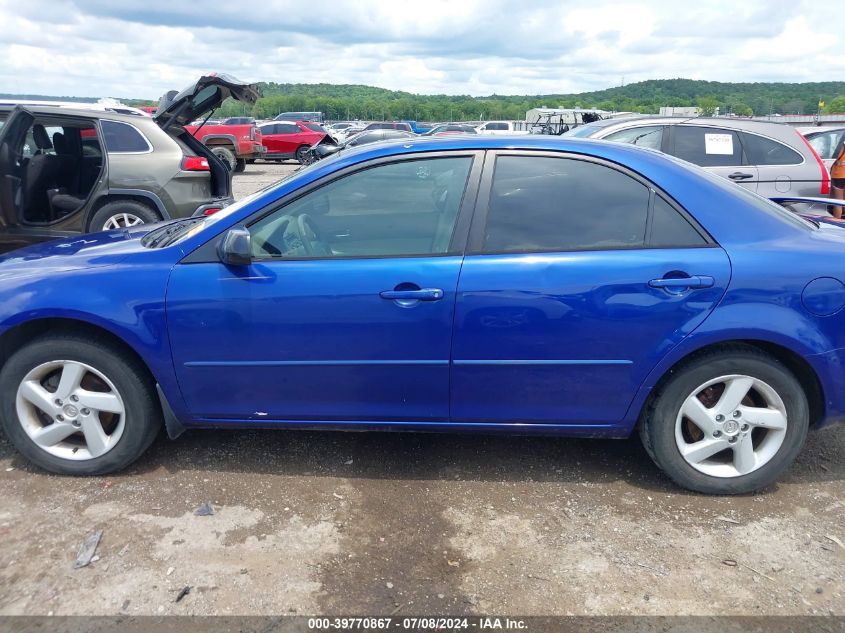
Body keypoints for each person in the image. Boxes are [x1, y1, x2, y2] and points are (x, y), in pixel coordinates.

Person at [831, 135, 845, 219]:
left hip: (839, 175)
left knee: (838, 203)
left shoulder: (842, 144)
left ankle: (836, 223)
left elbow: (834, 157)